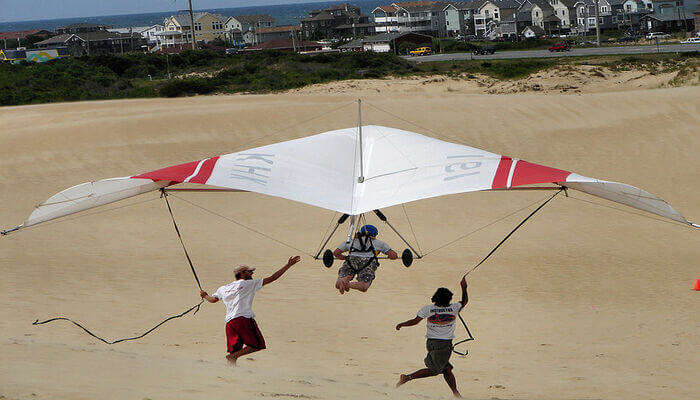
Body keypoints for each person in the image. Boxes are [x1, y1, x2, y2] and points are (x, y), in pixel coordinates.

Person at [199, 256, 301, 365]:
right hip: (243, 319)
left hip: (230, 323)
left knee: (235, 350)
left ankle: (231, 373)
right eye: (250, 272)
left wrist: (205, 295)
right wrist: (288, 265)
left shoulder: (223, 288)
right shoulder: (248, 284)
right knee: (257, 345)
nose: (252, 274)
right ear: (242, 273)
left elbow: (212, 300)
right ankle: (232, 357)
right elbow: (272, 278)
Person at [394, 277, 469, 398]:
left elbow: (415, 321)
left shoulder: (428, 308)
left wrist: (402, 324)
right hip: (444, 345)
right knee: (435, 370)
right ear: (449, 299)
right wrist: (464, 287)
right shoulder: (454, 308)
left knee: (446, 369)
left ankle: (456, 394)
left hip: (431, 343)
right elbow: (464, 301)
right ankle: (407, 377)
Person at [332, 224, 398, 294]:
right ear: (374, 235)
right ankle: (348, 284)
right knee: (364, 286)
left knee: (337, 285)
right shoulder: (379, 243)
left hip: (351, 261)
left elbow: (336, 253)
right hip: (368, 263)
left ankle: (342, 280)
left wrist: (344, 258)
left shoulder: (350, 241)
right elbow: (393, 255)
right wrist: (392, 257)